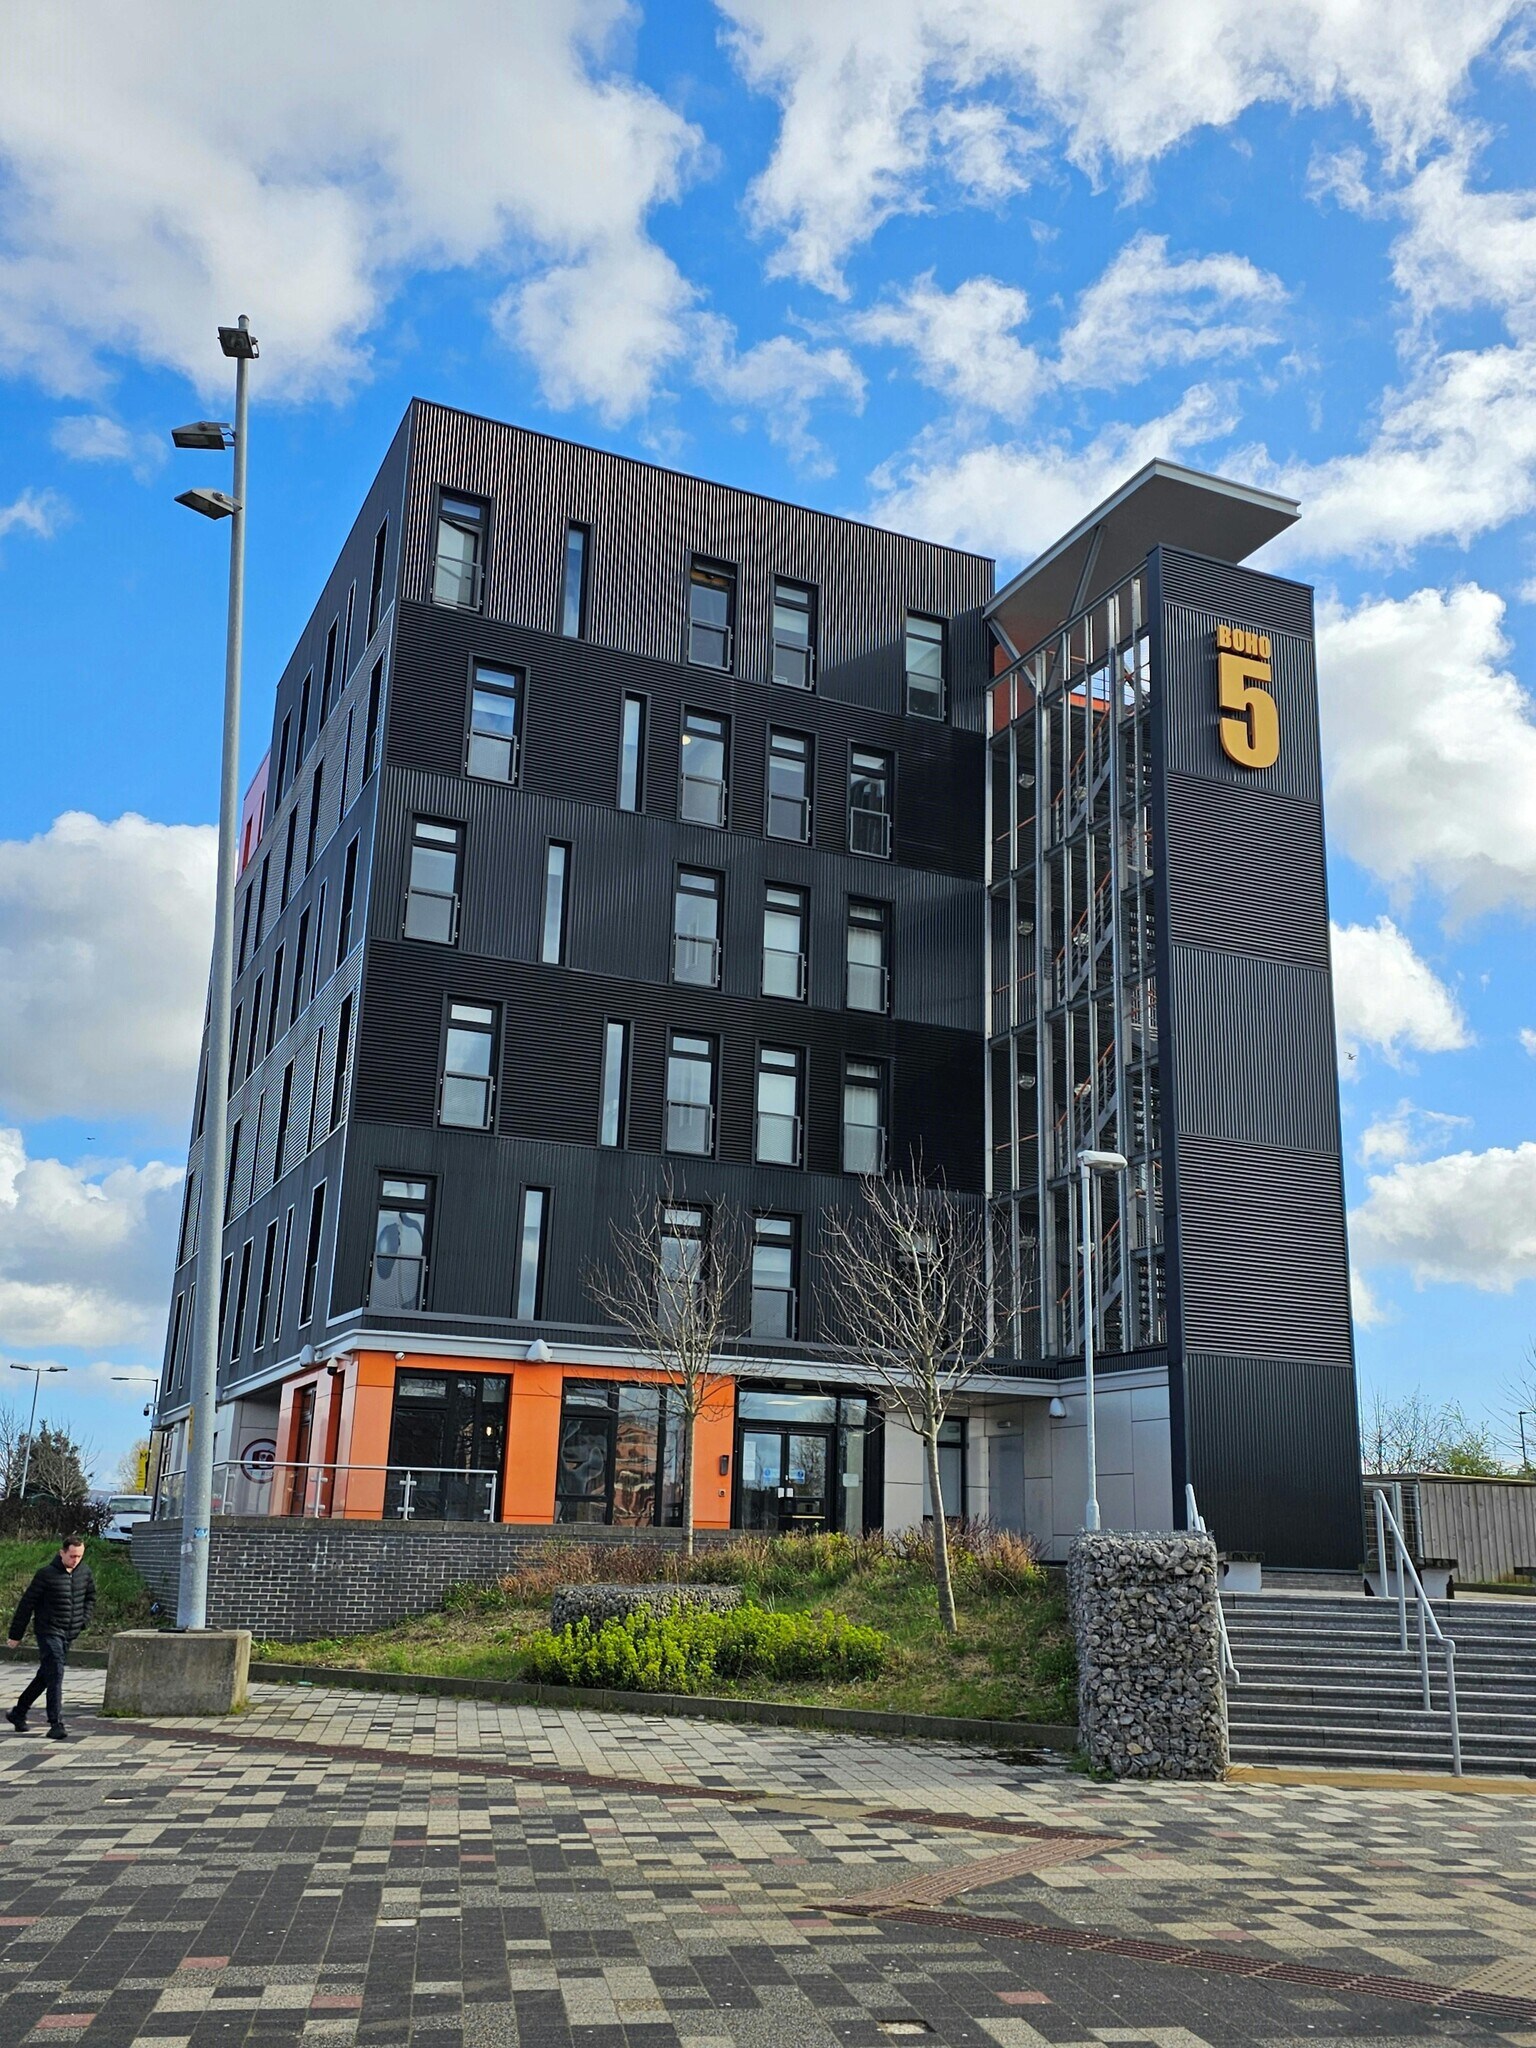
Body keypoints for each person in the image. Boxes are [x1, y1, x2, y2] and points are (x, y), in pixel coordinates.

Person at [6, 1535, 96, 1741]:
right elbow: (26, 1605)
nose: (75, 1560)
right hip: (48, 1631)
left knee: (46, 1675)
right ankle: (56, 1723)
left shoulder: (84, 1572)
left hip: (70, 1631)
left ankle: (18, 1712)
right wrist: (15, 1635)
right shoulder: (45, 1575)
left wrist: (84, 1620)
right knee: (55, 1672)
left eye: (79, 1556)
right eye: (72, 1556)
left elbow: (90, 1596)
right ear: (62, 1553)